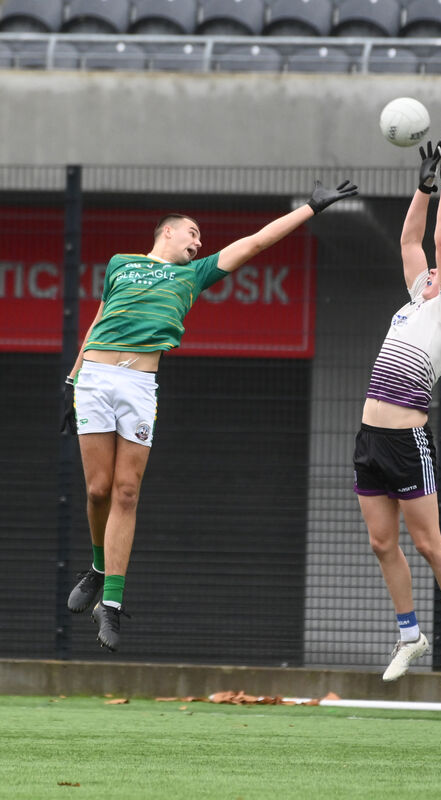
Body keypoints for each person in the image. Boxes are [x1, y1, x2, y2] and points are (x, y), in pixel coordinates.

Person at [61, 177, 358, 652]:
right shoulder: (121, 264)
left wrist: (310, 209)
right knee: (97, 490)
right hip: (95, 380)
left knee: (126, 491)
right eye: (192, 233)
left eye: (200, 239)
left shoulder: (193, 274)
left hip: (139, 384)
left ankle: (111, 605)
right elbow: (98, 319)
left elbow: (255, 242)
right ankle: (98, 567)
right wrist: (73, 380)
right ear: (168, 233)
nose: (199, 242)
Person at [353, 136, 441, 684]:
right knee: (382, 542)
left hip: (409, 442)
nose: (428, 269)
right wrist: (424, 185)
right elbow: (412, 235)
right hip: (369, 439)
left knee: (428, 543)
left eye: (437, 270)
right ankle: (410, 634)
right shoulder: (415, 302)